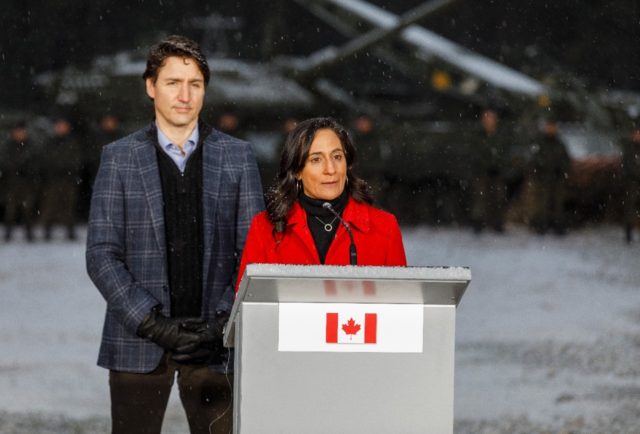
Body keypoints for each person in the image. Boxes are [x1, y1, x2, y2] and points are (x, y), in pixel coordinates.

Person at [85, 35, 264, 434]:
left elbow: (254, 254)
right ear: (151, 87)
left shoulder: (237, 157)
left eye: (195, 84)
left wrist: (220, 322)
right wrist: (151, 323)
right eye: (173, 83)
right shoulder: (119, 158)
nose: (185, 95)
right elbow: (101, 254)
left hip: (215, 345)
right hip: (138, 344)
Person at [236, 117, 406, 289]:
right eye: (316, 159)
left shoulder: (385, 227)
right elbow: (249, 307)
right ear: (297, 171)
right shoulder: (264, 227)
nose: (331, 169)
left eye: (337, 157)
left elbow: (401, 306)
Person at [40, 115, 82, 240]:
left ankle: (70, 231)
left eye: (63, 126)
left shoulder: (72, 142)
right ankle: (47, 231)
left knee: (69, 206)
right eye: (59, 126)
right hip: (53, 179)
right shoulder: (50, 142)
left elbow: (77, 160)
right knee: (50, 205)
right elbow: (45, 159)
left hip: (68, 179)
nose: (61, 128)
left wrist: (68, 169)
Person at [527, 116, 571, 235]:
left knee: (558, 203)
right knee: (543, 203)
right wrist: (541, 169)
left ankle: (558, 225)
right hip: (543, 178)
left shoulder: (560, 143)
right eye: (549, 126)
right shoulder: (539, 142)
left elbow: (566, 160)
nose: (551, 129)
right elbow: (534, 159)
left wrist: (560, 169)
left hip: (557, 179)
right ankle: (542, 225)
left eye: (553, 127)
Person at [469, 108, 510, 233]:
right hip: (482, 172)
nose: (488, 121)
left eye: (491, 118)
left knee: (498, 198)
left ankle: (497, 223)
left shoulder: (501, 135)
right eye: (486, 118)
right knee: (480, 199)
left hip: (497, 172)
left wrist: (498, 166)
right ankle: (478, 223)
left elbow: (504, 153)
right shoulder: (478, 135)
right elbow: (476, 153)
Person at [2, 121, 40, 242]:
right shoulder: (8, 146)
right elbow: (4, 161)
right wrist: (15, 169)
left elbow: (36, 163)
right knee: (10, 210)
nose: (19, 134)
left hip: (27, 183)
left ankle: (29, 232)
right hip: (12, 183)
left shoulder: (31, 146)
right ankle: (8, 233)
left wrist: (27, 170)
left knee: (28, 209)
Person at [620, 124, 640, 243]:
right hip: (632, 182)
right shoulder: (629, 148)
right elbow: (628, 165)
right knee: (630, 207)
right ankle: (629, 230)